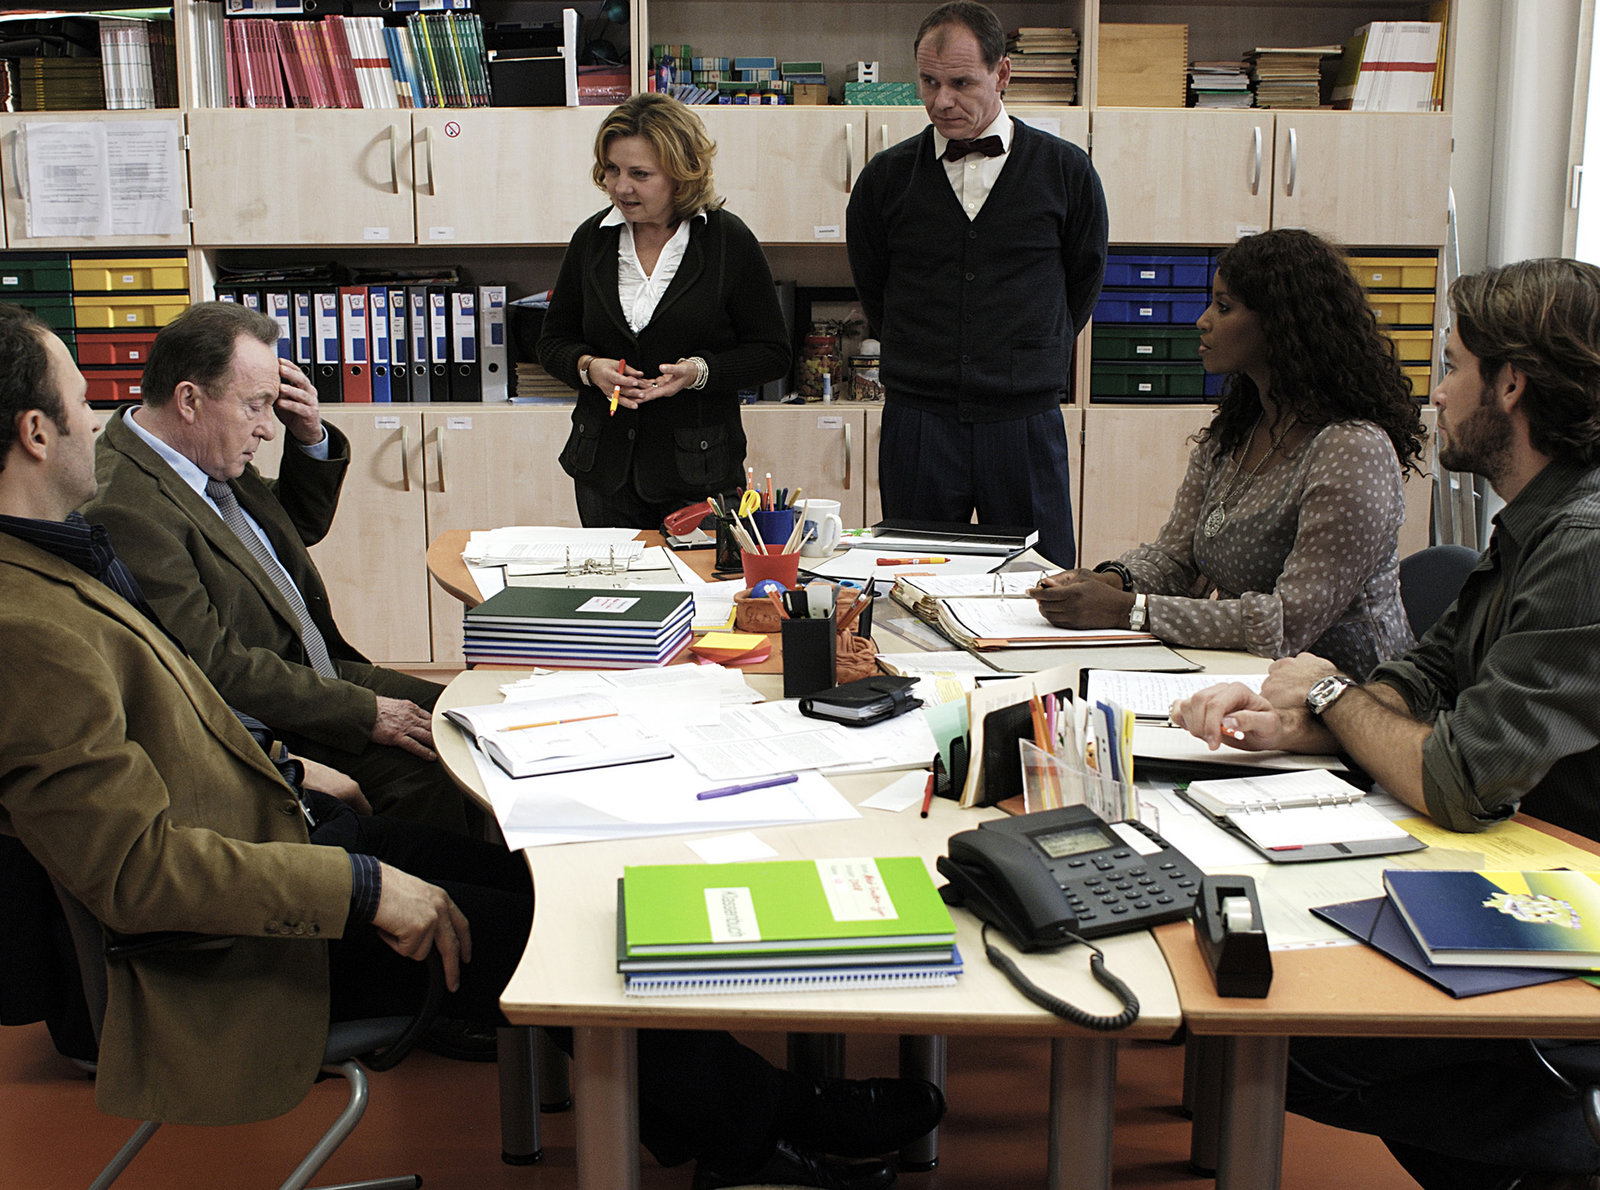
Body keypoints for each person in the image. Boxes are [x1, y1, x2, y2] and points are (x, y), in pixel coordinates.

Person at [0, 304, 942, 1190]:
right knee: (554, 938)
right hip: (247, 930)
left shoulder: (51, 566)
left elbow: (178, 720)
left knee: (544, 888)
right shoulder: (30, 625)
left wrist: (288, 774)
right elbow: (138, 870)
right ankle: (763, 1127)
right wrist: (361, 886)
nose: (102, 420)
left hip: (280, 828)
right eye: (82, 403)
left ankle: (746, 1115)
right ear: (36, 434)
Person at [1170, 259, 1600, 1190]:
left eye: (1452, 367)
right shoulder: (1538, 517)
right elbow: (1426, 672)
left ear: (1511, 385)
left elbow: (1460, 777)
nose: (1436, 395)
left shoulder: (1583, 544)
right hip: (1512, 868)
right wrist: (1304, 722)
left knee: (1284, 1030)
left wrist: (1328, 696)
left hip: (1563, 932)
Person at [83, 301, 471, 834]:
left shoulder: (196, 451)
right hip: (264, 713)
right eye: (255, 406)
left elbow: (288, 527)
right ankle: (442, 883)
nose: (268, 429)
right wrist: (364, 714)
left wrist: (308, 434)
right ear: (189, 400)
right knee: (438, 768)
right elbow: (213, 667)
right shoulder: (127, 507)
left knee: (470, 716)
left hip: (315, 670)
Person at [1030, 229, 1426, 678]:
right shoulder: (1239, 427)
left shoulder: (1352, 449)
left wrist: (1128, 610)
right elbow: (1177, 558)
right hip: (1247, 675)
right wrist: (1111, 580)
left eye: (1224, 306)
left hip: (1350, 690)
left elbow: (1288, 623)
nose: (1203, 321)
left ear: (1281, 323)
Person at [845, 0, 1108, 568]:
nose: (942, 101)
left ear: (1002, 74)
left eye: (961, 83)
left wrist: (1026, 356)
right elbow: (873, 285)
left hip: (1024, 421)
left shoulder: (1066, 171)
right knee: (912, 583)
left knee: (1039, 588)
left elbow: (1082, 281)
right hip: (919, 421)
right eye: (929, 82)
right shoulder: (885, 178)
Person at [539, 92, 791, 529]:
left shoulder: (728, 241)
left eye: (640, 174)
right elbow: (552, 342)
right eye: (612, 170)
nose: (621, 187)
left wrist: (699, 372)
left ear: (681, 174)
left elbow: (772, 353)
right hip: (604, 472)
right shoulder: (592, 240)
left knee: (701, 577)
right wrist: (589, 367)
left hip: (700, 474)